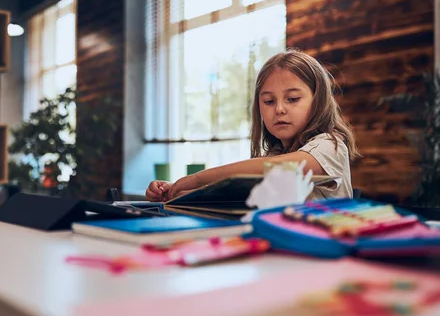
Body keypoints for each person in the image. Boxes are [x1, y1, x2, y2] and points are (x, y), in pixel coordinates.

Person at [145, 49, 361, 202]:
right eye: (268, 101)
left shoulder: (330, 145)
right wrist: (174, 191)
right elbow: (229, 194)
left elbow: (269, 169)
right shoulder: (274, 154)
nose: (279, 109)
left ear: (319, 99)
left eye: (293, 99)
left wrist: (196, 178)